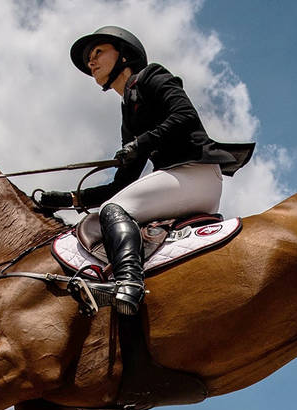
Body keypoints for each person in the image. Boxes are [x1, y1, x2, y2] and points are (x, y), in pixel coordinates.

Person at [36, 26, 254, 317]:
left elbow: (185, 115)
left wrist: (141, 143)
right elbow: (122, 183)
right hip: (181, 182)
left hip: (195, 173)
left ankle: (129, 284)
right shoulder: (128, 111)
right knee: (111, 207)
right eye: (90, 58)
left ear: (124, 54)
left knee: (114, 209)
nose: (91, 62)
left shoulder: (152, 76)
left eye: (98, 52)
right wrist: (71, 199)